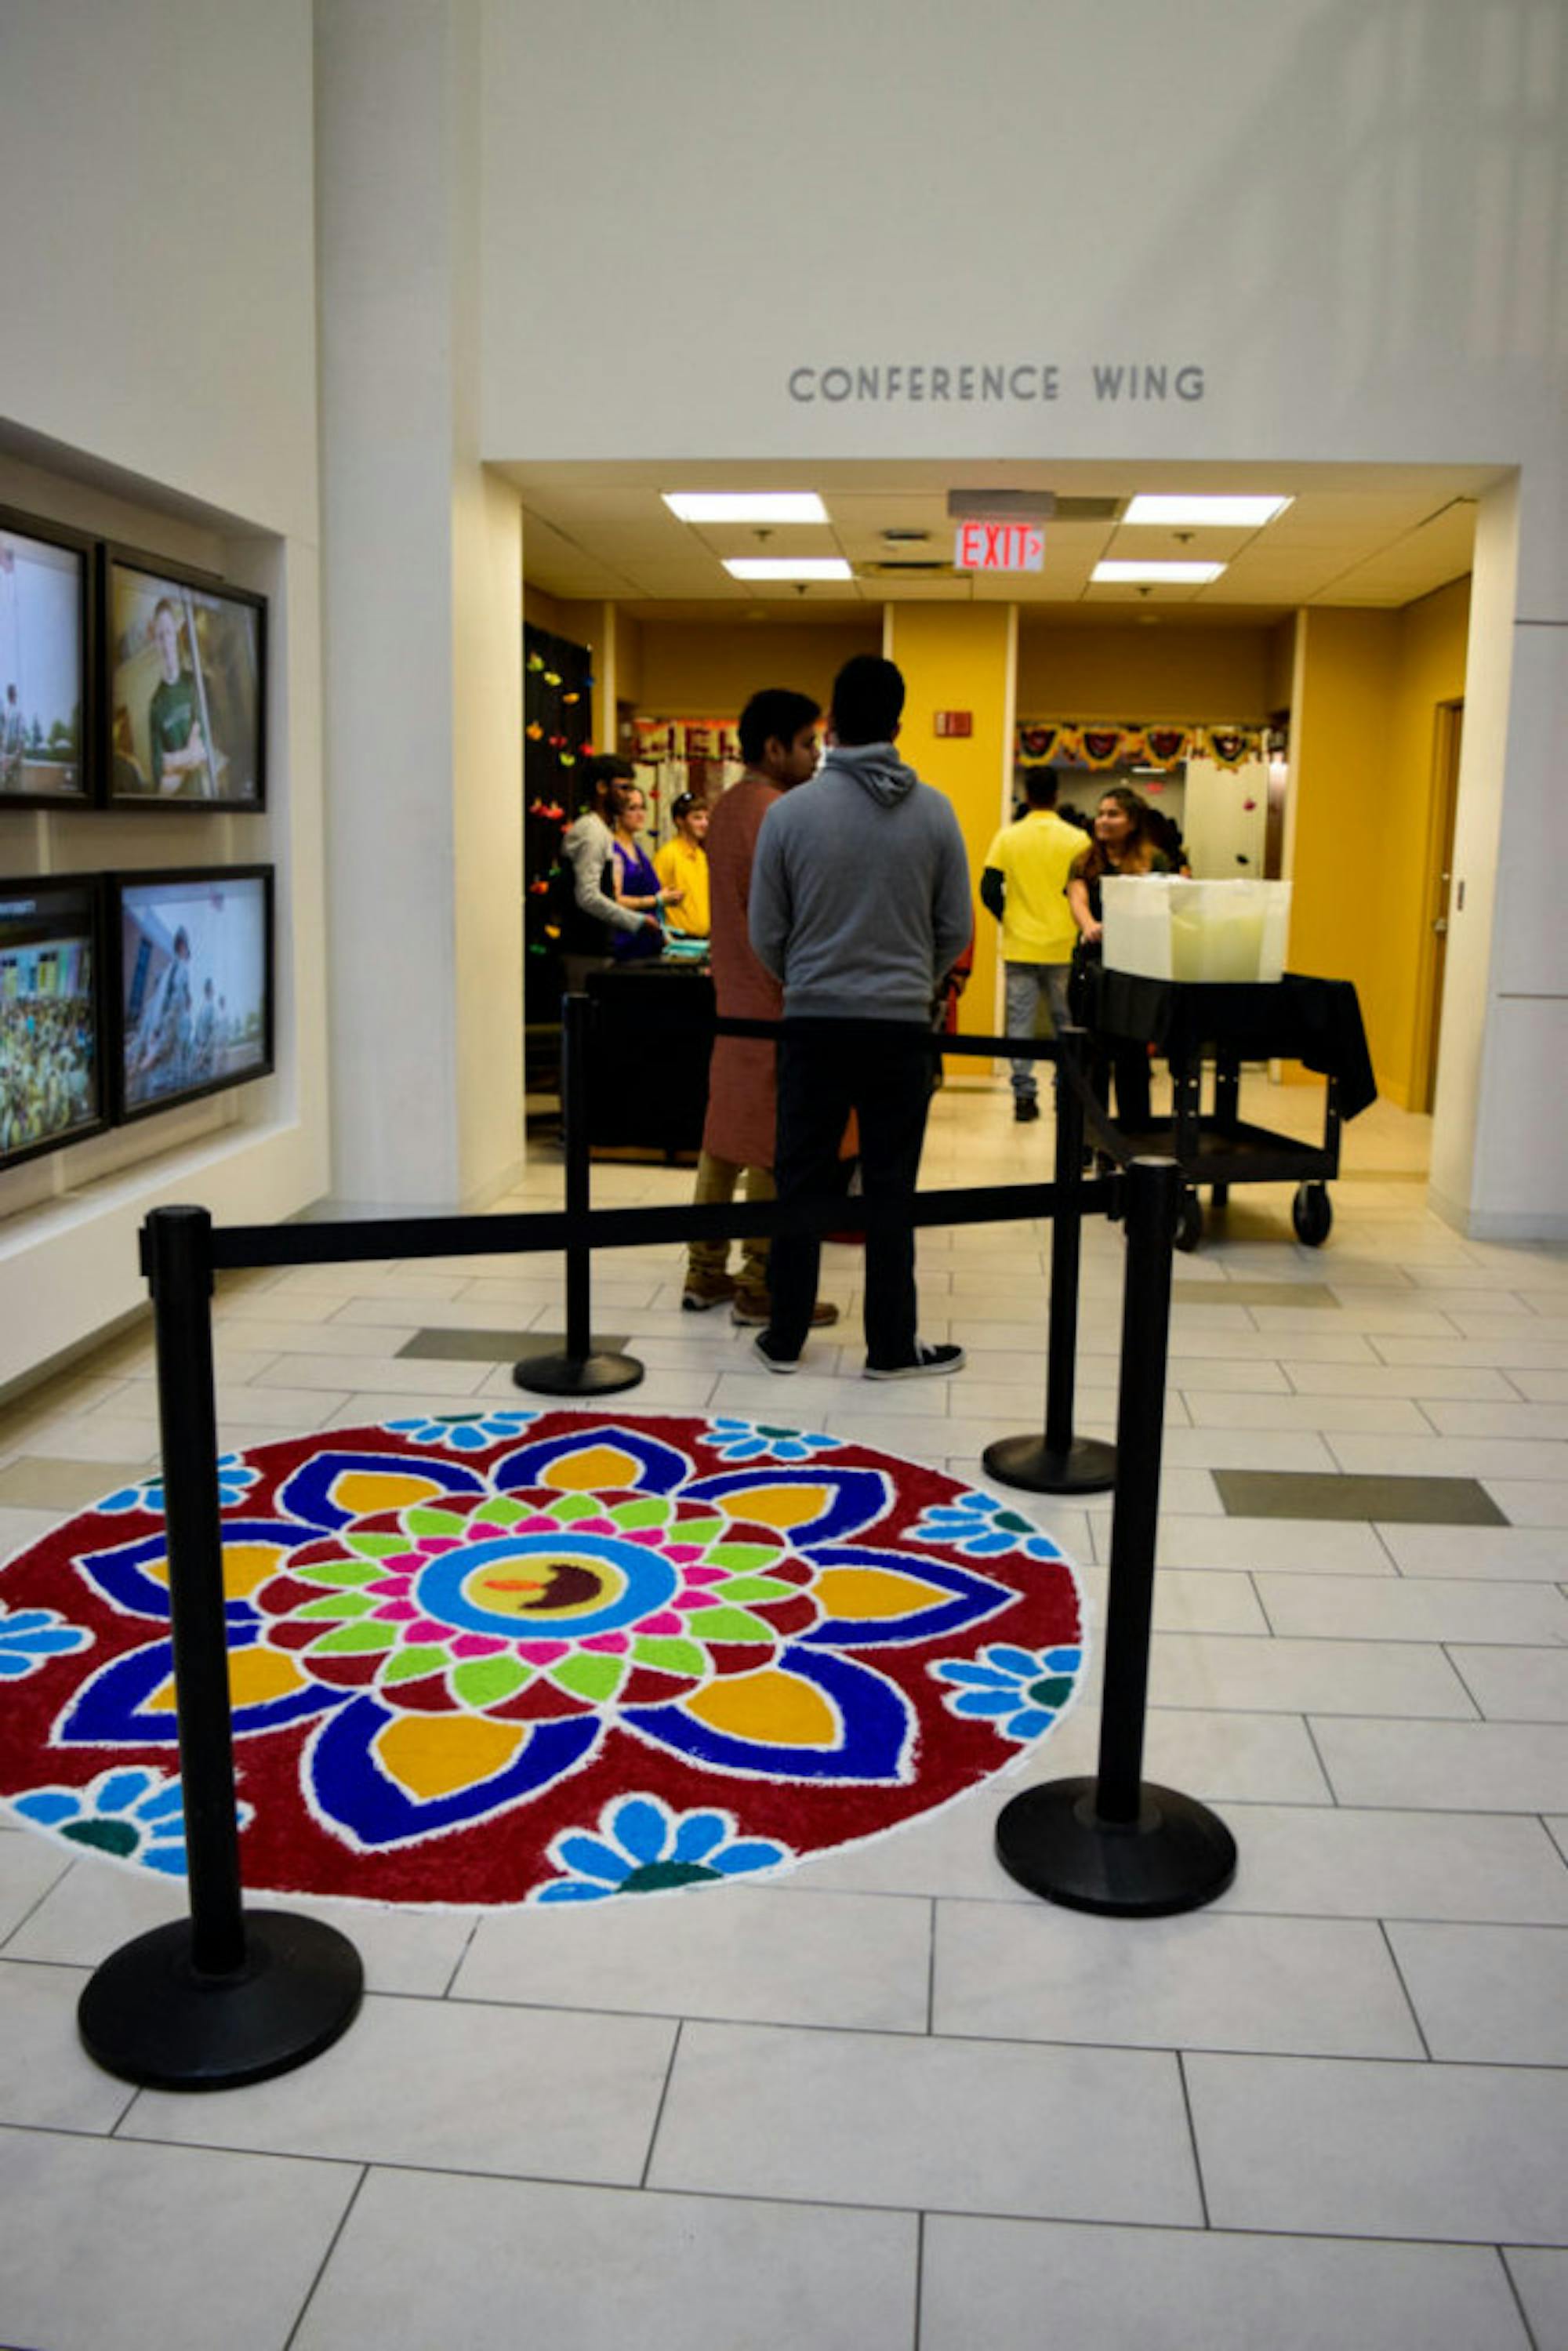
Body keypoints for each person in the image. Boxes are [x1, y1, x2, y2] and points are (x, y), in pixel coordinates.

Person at [749, 654, 971, 1379]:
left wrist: (808, 979)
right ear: (900, 726)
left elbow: (765, 932)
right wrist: (914, 982)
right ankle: (889, 1347)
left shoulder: (789, 813)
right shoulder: (936, 812)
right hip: (900, 1030)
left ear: (833, 725)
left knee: (801, 1179)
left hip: (812, 1023)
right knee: (889, 1186)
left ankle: (784, 1335)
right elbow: (954, 926)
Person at [681, 688, 838, 1334]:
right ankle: (759, 1280)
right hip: (777, 999)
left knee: (723, 1139)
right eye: (807, 743)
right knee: (774, 1144)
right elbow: (788, 917)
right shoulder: (777, 811)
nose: (816, 755)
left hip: (734, 998)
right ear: (773, 748)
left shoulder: (727, 809)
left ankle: (704, 1269)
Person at [981, 766, 1083, 1123]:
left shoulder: (1008, 838)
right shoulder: (1077, 839)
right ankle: (1064, 1090)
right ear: (1056, 795)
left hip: (1020, 944)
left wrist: (1009, 919)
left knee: (1020, 1024)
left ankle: (1024, 1096)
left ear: (1027, 795)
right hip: (1065, 944)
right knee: (1065, 1023)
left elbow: (989, 888)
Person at [1067, 784, 1172, 1130]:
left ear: (1132, 821)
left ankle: (1133, 1137)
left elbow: (1165, 906)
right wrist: (1090, 926)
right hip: (1093, 967)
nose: (1103, 820)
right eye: (1101, 813)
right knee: (1092, 1057)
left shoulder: (1153, 860)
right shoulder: (1084, 860)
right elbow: (1077, 899)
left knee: (1132, 1058)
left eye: (1113, 814)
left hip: (1135, 970)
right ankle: (1089, 1136)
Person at [557, 756, 660, 992]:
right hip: (583, 949)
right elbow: (588, 896)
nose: (628, 796)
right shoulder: (591, 831)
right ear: (601, 788)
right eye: (623, 788)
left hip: (595, 946)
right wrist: (637, 921)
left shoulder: (601, 830)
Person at [147, 598, 214, 798]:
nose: (165, 643)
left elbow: (203, 753)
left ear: (175, 636)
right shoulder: (155, 706)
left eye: (168, 633)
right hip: (173, 808)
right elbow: (160, 779)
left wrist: (173, 762)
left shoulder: (195, 684)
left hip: (203, 799)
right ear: (155, 643)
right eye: (160, 636)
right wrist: (187, 757)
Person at [608, 783, 678, 961]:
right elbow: (614, 900)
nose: (640, 814)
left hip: (648, 940)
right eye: (632, 808)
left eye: (643, 808)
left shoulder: (637, 850)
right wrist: (655, 900)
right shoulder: (615, 851)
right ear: (618, 813)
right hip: (626, 943)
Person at [655, 793, 711, 937]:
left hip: (703, 941)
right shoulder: (667, 854)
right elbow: (654, 898)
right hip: (678, 940)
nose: (705, 823)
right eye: (697, 818)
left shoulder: (701, 856)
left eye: (706, 818)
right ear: (680, 821)